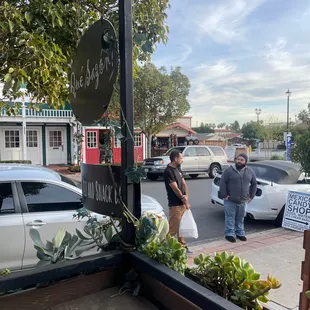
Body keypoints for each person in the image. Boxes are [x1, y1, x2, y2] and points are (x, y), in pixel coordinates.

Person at [219, 153, 257, 243]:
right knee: (230, 218)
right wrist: (224, 195)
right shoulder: (229, 170)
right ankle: (229, 234)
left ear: (245, 162)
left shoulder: (250, 171)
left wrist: (251, 196)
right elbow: (222, 182)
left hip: (243, 201)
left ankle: (240, 233)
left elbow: (254, 184)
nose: (239, 161)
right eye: (238, 159)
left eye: (241, 160)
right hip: (230, 200)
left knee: (240, 218)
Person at [163, 150, 192, 253]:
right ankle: (165, 248)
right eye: (181, 158)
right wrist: (184, 200)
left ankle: (182, 247)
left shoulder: (178, 168)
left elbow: (184, 184)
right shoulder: (168, 171)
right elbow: (175, 188)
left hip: (183, 203)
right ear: (175, 158)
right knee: (173, 228)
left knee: (182, 227)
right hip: (175, 204)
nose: (182, 160)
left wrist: (187, 197)